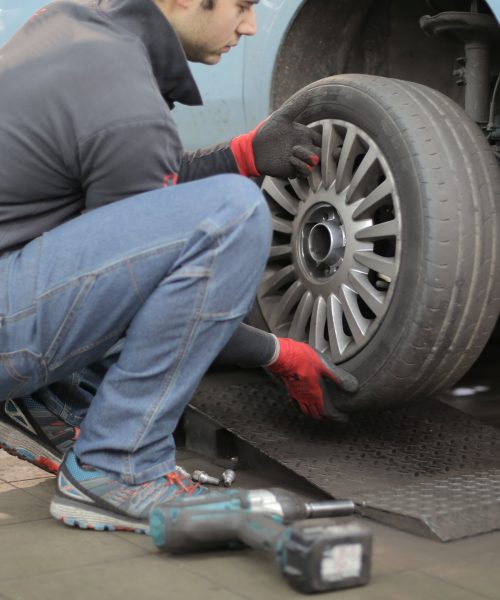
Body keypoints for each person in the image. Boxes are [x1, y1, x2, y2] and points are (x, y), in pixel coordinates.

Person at [0, 0, 357, 534]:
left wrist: (240, 154)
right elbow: (141, 289)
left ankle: (48, 394)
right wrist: (278, 352)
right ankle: (118, 465)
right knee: (231, 215)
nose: (250, 25)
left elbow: (124, 199)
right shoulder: (126, 102)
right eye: (241, 5)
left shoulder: (70, 29)